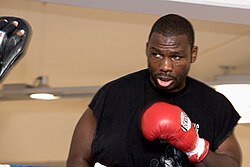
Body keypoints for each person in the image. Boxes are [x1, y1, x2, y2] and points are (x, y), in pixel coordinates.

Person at [67, 14, 242, 167]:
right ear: (147, 49)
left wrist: (194, 146)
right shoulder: (114, 95)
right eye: (156, 54)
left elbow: (232, 162)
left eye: (176, 56)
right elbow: (78, 157)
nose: (165, 66)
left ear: (193, 54)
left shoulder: (213, 105)